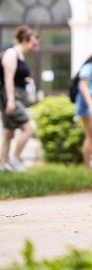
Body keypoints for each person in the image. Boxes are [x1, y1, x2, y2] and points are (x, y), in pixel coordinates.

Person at [0, 26, 39, 172]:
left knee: (9, 132)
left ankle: (3, 166)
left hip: (18, 96)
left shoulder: (21, 55)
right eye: (33, 44)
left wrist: (27, 81)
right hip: (11, 97)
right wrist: (10, 101)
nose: (35, 47)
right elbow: (8, 79)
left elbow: (17, 77)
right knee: (30, 128)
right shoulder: (11, 54)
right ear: (24, 40)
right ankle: (15, 159)